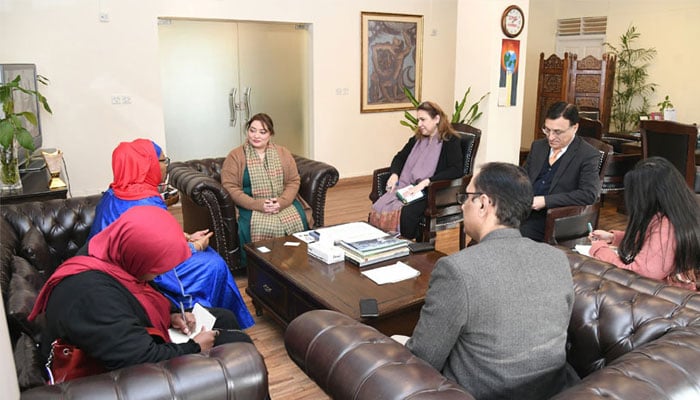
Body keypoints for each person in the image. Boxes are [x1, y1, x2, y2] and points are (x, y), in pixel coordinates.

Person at [403, 162, 576, 399]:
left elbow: (424, 358)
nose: (463, 205)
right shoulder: (557, 258)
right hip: (552, 389)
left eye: (467, 197)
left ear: (483, 204)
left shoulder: (457, 270)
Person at [29, 206, 253, 377]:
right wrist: (195, 347)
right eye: (156, 267)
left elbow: (141, 295)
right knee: (242, 350)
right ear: (138, 258)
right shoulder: (93, 298)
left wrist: (172, 314)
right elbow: (140, 360)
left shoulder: (106, 252)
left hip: (123, 338)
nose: (161, 273)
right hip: (118, 376)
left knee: (225, 317)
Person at [89, 139, 254, 330]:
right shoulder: (144, 202)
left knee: (209, 257)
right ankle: (210, 323)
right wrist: (195, 246)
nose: (166, 166)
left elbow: (151, 235)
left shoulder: (115, 192)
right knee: (213, 264)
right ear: (147, 165)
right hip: (139, 274)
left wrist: (185, 236)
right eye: (162, 161)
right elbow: (152, 256)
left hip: (116, 267)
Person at [589, 157, 700, 290]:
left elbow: (637, 275)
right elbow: (653, 244)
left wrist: (600, 249)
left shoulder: (665, 228)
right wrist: (614, 238)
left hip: (667, 299)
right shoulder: (679, 213)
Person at [221, 113, 310, 266]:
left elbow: (293, 181)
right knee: (254, 224)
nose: (256, 136)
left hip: (282, 201)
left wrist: (281, 202)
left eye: (262, 132)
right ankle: (262, 266)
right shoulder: (235, 156)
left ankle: (294, 261)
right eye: (252, 130)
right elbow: (230, 187)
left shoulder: (283, 153)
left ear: (270, 134)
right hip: (250, 204)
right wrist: (258, 205)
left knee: (298, 218)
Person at [369, 101, 462, 239]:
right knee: (379, 206)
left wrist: (427, 181)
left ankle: (409, 246)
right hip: (410, 186)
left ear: (436, 119)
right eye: (418, 119)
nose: (419, 124)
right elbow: (399, 157)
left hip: (433, 190)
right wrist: (395, 174)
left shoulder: (449, 140)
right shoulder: (417, 139)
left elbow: (456, 170)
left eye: (423, 119)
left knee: (406, 213)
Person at [521, 101, 600, 241]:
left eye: (557, 132)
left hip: (556, 218)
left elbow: (588, 194)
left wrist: (545, 201)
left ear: (574, 127)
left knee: (515, 237)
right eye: (547, 130)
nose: (551, 137)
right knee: (488, 229)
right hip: (524, 211)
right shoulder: (539, 146)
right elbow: (522, 177)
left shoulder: (587, 155)